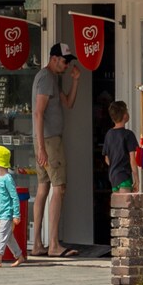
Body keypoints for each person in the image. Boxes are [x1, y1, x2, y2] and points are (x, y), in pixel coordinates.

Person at [31, 44, 79, 257]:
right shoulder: (45, 78)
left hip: (47, 140)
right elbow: (38, 113)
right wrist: (41, 147)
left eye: (68, 61)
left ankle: (38, 244)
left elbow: (68, 103)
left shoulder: (53, 79)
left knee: (43, 187)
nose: (67, 64)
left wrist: (75, 80)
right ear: (53, 58)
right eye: (64, 60)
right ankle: (52, 244)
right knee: (58, 188)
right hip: (49, 142)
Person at [102, 100, 140, 193]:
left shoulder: (109, 134)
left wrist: (115, 165)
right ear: (125, 116)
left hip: (113, 177)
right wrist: (137, 180)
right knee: (125, 205)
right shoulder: (128, 135)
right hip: (124, 176)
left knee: (117, 205)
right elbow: (132, 160)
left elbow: (107, 158)